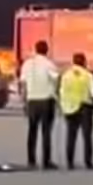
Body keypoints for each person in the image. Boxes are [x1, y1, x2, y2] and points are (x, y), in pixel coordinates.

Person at [18, 39, 59, 170]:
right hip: (46, 100)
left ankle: (31, 160)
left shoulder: (27, 64)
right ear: (47, 50)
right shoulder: (49, 64)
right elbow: (56, 79)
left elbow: (23, 84)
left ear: (35, 49)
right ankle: (46, 161)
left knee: (32, 131)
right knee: (46, 132)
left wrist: (24, 101)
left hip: (32, 100)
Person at [59, 52, 93, 170]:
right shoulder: (88, 75)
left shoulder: (66, 75)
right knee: (87, 136)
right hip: (84, 106)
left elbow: (62, 91)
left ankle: (70, 162)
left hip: (69, 107)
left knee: (71, 135)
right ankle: (88, 162)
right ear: (84, 62)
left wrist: (63, 106)